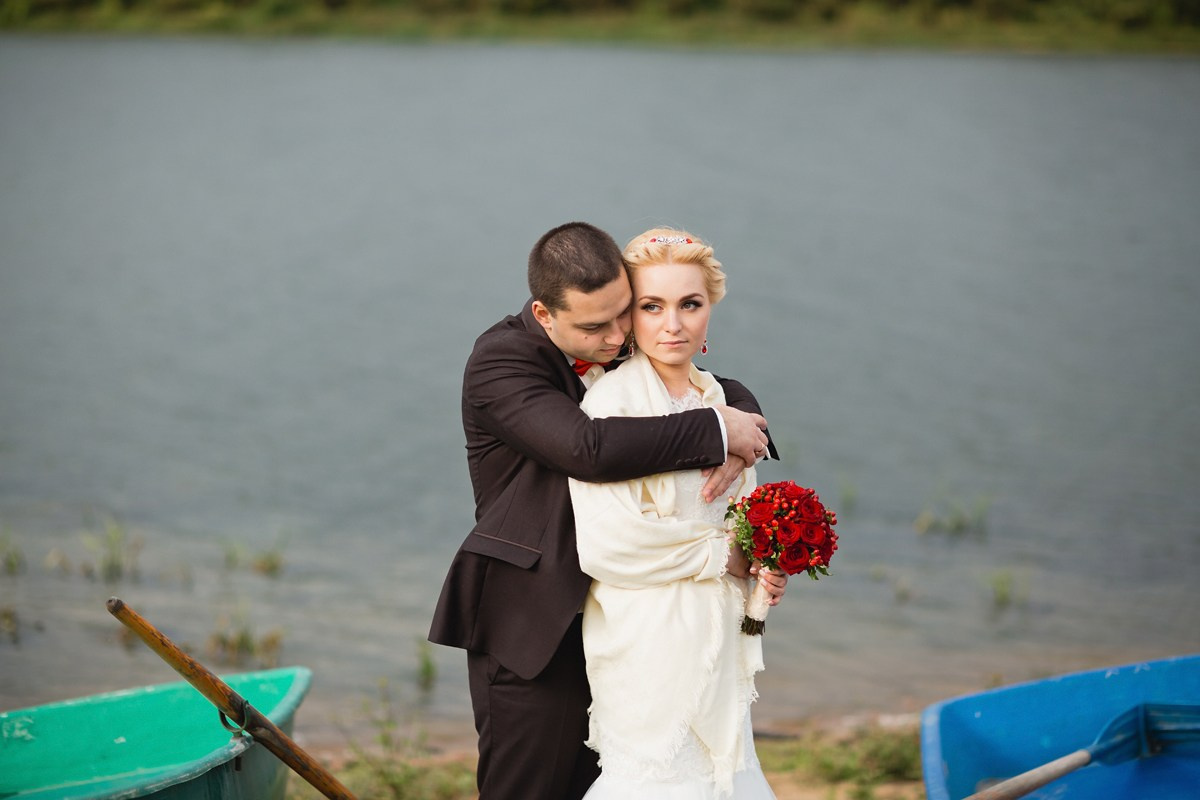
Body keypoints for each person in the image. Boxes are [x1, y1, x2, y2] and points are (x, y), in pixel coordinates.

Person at [428, 222, 783, 800]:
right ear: (545, 315)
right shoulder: (501, 361)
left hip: (632, 619)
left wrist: (743, 416)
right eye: (597, 325)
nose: (622, 336)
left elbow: (701, 383)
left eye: (625, 313)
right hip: (537, 620)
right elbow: (586, 449)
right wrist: (721, 429)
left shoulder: (615, 346)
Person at [569, 227, 780, 799]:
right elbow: (608, 545)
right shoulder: (610, 403)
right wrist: (725, 555)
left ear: (710, 309)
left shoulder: (721, 401)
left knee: (723, 777)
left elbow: (742, 517)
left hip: (723, 630)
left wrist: (765, 558)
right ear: (628, 316)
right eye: (652, 306)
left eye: (691, 304)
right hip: (648, 636)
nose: (674, 324)